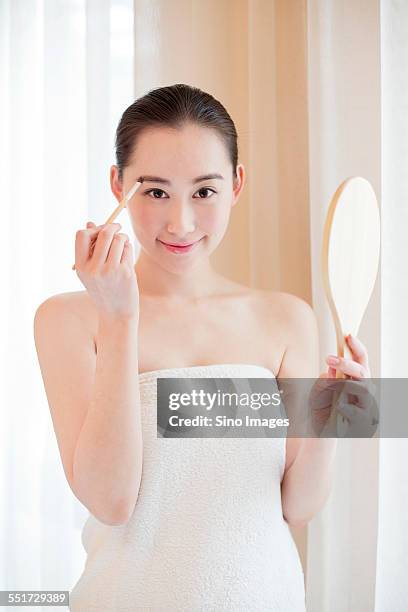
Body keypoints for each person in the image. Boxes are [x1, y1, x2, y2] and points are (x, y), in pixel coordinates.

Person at [34, 83, 372, 611]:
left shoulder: (287, 320)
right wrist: (120, 317)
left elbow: (296, 505)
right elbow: (111, 500)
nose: (181, 223)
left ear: (237, 184)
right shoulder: (68, 319)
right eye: (155, 191)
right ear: (117, 185)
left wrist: (330, 417)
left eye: (204, 192)